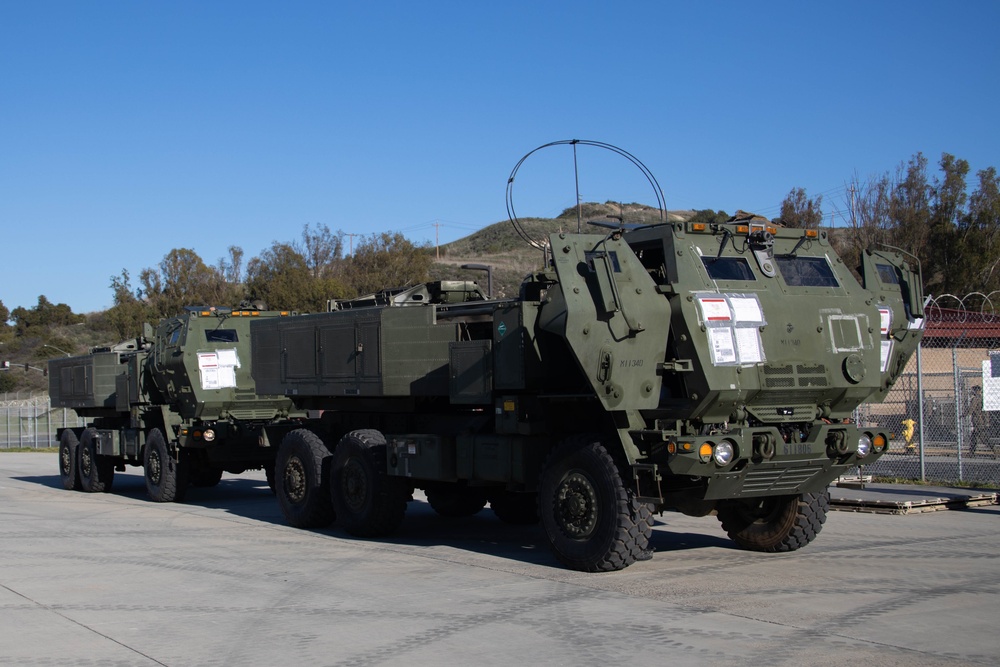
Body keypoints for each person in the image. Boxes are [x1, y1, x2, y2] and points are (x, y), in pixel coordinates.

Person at [968, 386, 989, 455]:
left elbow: (971, 408)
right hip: (980, 420)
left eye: (973, 390)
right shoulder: (981, 398)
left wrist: (964, 414)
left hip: (978, 420)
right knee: (973, 436)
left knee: (982, 437)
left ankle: (992, 448)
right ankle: (972, 452)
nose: (972, 392)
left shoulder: (975, 399)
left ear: (976, 391)